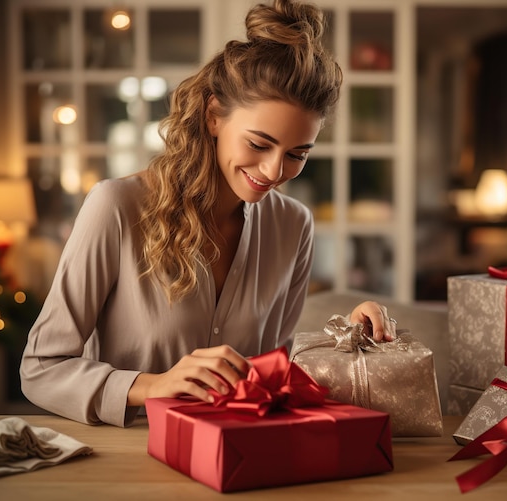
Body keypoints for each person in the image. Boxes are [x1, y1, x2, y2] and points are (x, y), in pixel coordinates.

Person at [20, 0, 396, 428]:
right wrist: (151, 385)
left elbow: (273, 375)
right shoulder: (115, 207)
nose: (275, 172)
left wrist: (346, 338)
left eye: (297, 154)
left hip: (238, 459)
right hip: (128, 460)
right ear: (213, 115)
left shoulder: (293, 226)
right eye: (258, 144)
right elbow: (40, 370)